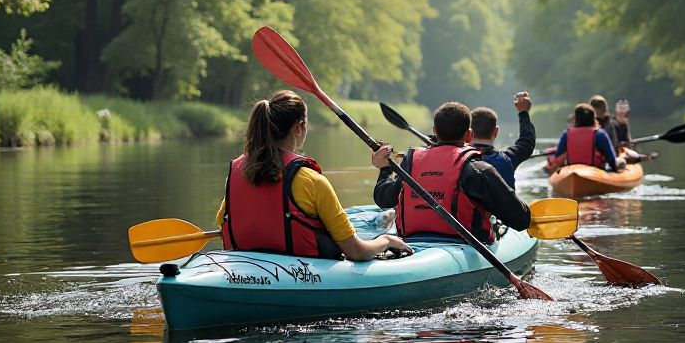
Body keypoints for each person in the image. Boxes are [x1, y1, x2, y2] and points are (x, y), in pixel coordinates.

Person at [218, 89, 411, 260]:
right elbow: (356, 251)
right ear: (300, 128)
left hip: (244, 269)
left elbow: (222, 223)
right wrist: (385, 241)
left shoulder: (236, 175)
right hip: (304, 276)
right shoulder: (311, 181)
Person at [371, 101, 531, 243]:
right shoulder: (480, 170)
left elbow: (384, 199)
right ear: (469, 135)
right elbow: (521, 220)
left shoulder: (411, 163)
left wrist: (385, 169)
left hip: (413, 241)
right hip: (463, 244)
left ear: (434, 130)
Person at [469, 91, 536, 189]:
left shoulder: (458, 159)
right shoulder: (508, 159)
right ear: (496, 131)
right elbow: (527, 142)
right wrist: (523, 112)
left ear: (469, 132)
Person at [549, 102, 625, 171]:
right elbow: (611, 160)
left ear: (576, 118)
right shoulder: (600, 134)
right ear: (593, 118)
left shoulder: (566, 134)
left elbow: (558, 155)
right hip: (595, 171)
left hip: (572, 170)